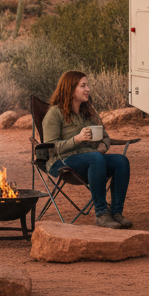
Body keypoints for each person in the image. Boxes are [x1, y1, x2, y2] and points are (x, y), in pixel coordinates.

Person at [41, 70, 132, 229]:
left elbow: (105, 136)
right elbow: (50, 147)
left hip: (91, 160)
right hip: (63, 161)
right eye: (83, 86)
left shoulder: (88, 111)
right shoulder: (55, 113)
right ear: (70, 89)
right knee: (94, 158)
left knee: (121, 161)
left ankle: (116, 213)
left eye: (87, 85)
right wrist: (76, 139)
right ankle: (101, 214)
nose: (88, 89)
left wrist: (104, 145)